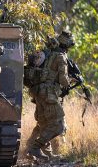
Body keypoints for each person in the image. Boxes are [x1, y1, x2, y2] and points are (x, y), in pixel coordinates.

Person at [25, 30, 75, 160]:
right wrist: (71, 81)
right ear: (67, 45)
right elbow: (64, 80)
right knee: (59, 125)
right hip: (48, 94)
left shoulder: (48, 53)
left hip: (38, 92)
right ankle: (35, 147)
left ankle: (42, 151)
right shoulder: (60, 56)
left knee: (44, 123)